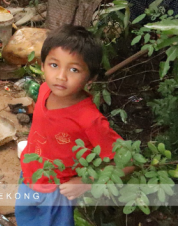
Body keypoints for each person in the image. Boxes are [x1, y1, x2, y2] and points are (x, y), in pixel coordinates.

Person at [15, 25, 133, 226]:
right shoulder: (44, 90)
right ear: (42, 65)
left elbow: (128, 163)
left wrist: (86, 183)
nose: (61, 76)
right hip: (29, 174)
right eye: (54, 65)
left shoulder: (90, 119)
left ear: (91, 78)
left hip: (58, 193)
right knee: (25, 217)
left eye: (74, 69)